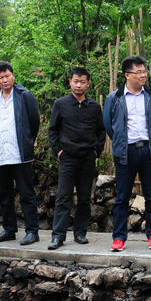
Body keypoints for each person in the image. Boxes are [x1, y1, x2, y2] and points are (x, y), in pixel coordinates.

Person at [103, 55, 151, 252]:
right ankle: (119, 238)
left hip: (148, 151)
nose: (143, 75)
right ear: (127, 75)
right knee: (122, 197)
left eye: (144, 71)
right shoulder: (114, 98)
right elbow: (109, 126)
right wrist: (121, 141)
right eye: (139, 72)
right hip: (125, 152)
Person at [47, 67, 105, 250]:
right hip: (68, 158)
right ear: (70, 82)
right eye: (75, 81)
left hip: (87, 157)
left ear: (88, 83)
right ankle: (58, 236)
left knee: (84, 197)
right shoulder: (60, 104)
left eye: (82, 81)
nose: (78, 85)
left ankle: (80, 233)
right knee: (63, 197)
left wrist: (97, 151)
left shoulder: (94, 107)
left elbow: (101, 130)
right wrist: (59, 151)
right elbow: (53, 130)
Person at [0, 61, 41, 245]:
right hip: (1, 153)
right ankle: (9, 229)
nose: (5, 80)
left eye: (7, 76)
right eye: (0, 77)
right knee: (4, 195)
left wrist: (26, 141)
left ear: (13, 76)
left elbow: (34, 122)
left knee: (26, 193)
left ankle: (32, 231)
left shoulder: (24, 95)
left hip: (20, 153)